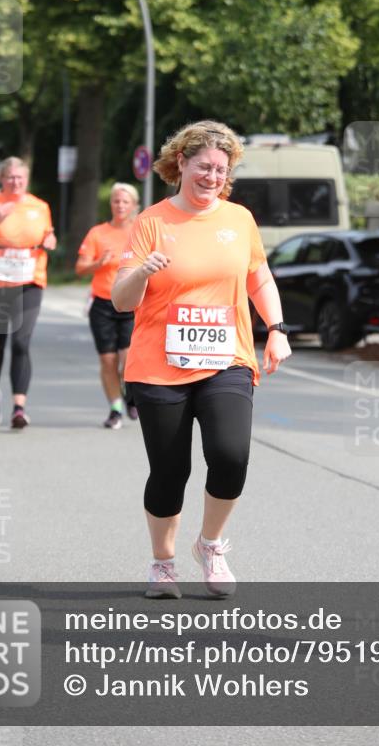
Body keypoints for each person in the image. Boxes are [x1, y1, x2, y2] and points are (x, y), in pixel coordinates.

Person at [111, 120, 292, 599]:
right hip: (158, 366)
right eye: (203, 166)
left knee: (231, 456)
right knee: (170, 472)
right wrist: (141, 272)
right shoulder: (152, 221)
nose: (212, 176)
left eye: (221, 168)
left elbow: (260, 278)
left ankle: (210, 545)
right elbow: (121, 300)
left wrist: (275, 330)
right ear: (181, 164)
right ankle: (163, 563)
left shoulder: (238, 219)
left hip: (226, 359)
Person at [0, 158, 56, 429]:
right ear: (2, 179)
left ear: (26, 180)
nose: (15, 182)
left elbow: (48, 234)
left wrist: (50, 240)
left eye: (20, 178)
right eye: (10, 178)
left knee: (21, 342)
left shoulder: (39, 206)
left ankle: (19, 407)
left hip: (29, 281)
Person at [76, 183, 140, 429]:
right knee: (108, 361)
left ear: (134, 205)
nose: (120, 206)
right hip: (102, 304)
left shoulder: (140, 231)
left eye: (125, 202)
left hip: (131, 305)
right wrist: (97, 263)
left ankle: (130, 396)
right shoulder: (97, 233)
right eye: (116, 201)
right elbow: (80, 268)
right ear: (110, 204)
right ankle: (115, 408)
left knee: (127, 361)